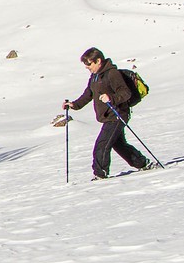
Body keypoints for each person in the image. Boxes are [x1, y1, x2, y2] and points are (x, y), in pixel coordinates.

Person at [62, 47, 151, 179]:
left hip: (118, 114)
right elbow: (88, 94)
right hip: (108, 115)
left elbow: (125, 93)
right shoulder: (95, 76)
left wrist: (111, 98)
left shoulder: (112, 73)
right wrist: (74, 105)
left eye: (89, 64)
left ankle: (100, 173)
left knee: (102, 144)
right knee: (118, 144)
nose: (87, 67)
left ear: (98, 61)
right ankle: (143, 163)